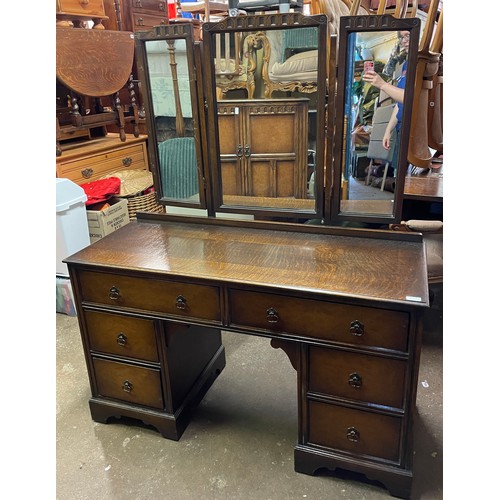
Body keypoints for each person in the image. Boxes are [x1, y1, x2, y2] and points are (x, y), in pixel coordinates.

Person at [362, 30, 410, 161]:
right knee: (399, 174)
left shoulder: (421, 64)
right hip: (401, 128)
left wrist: (382, 84)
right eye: (401, 37)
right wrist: (388, 131)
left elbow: (410, 99)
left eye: (408, 36)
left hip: (413, 132)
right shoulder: (406, 64)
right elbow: (400, 103)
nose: (404, 41)